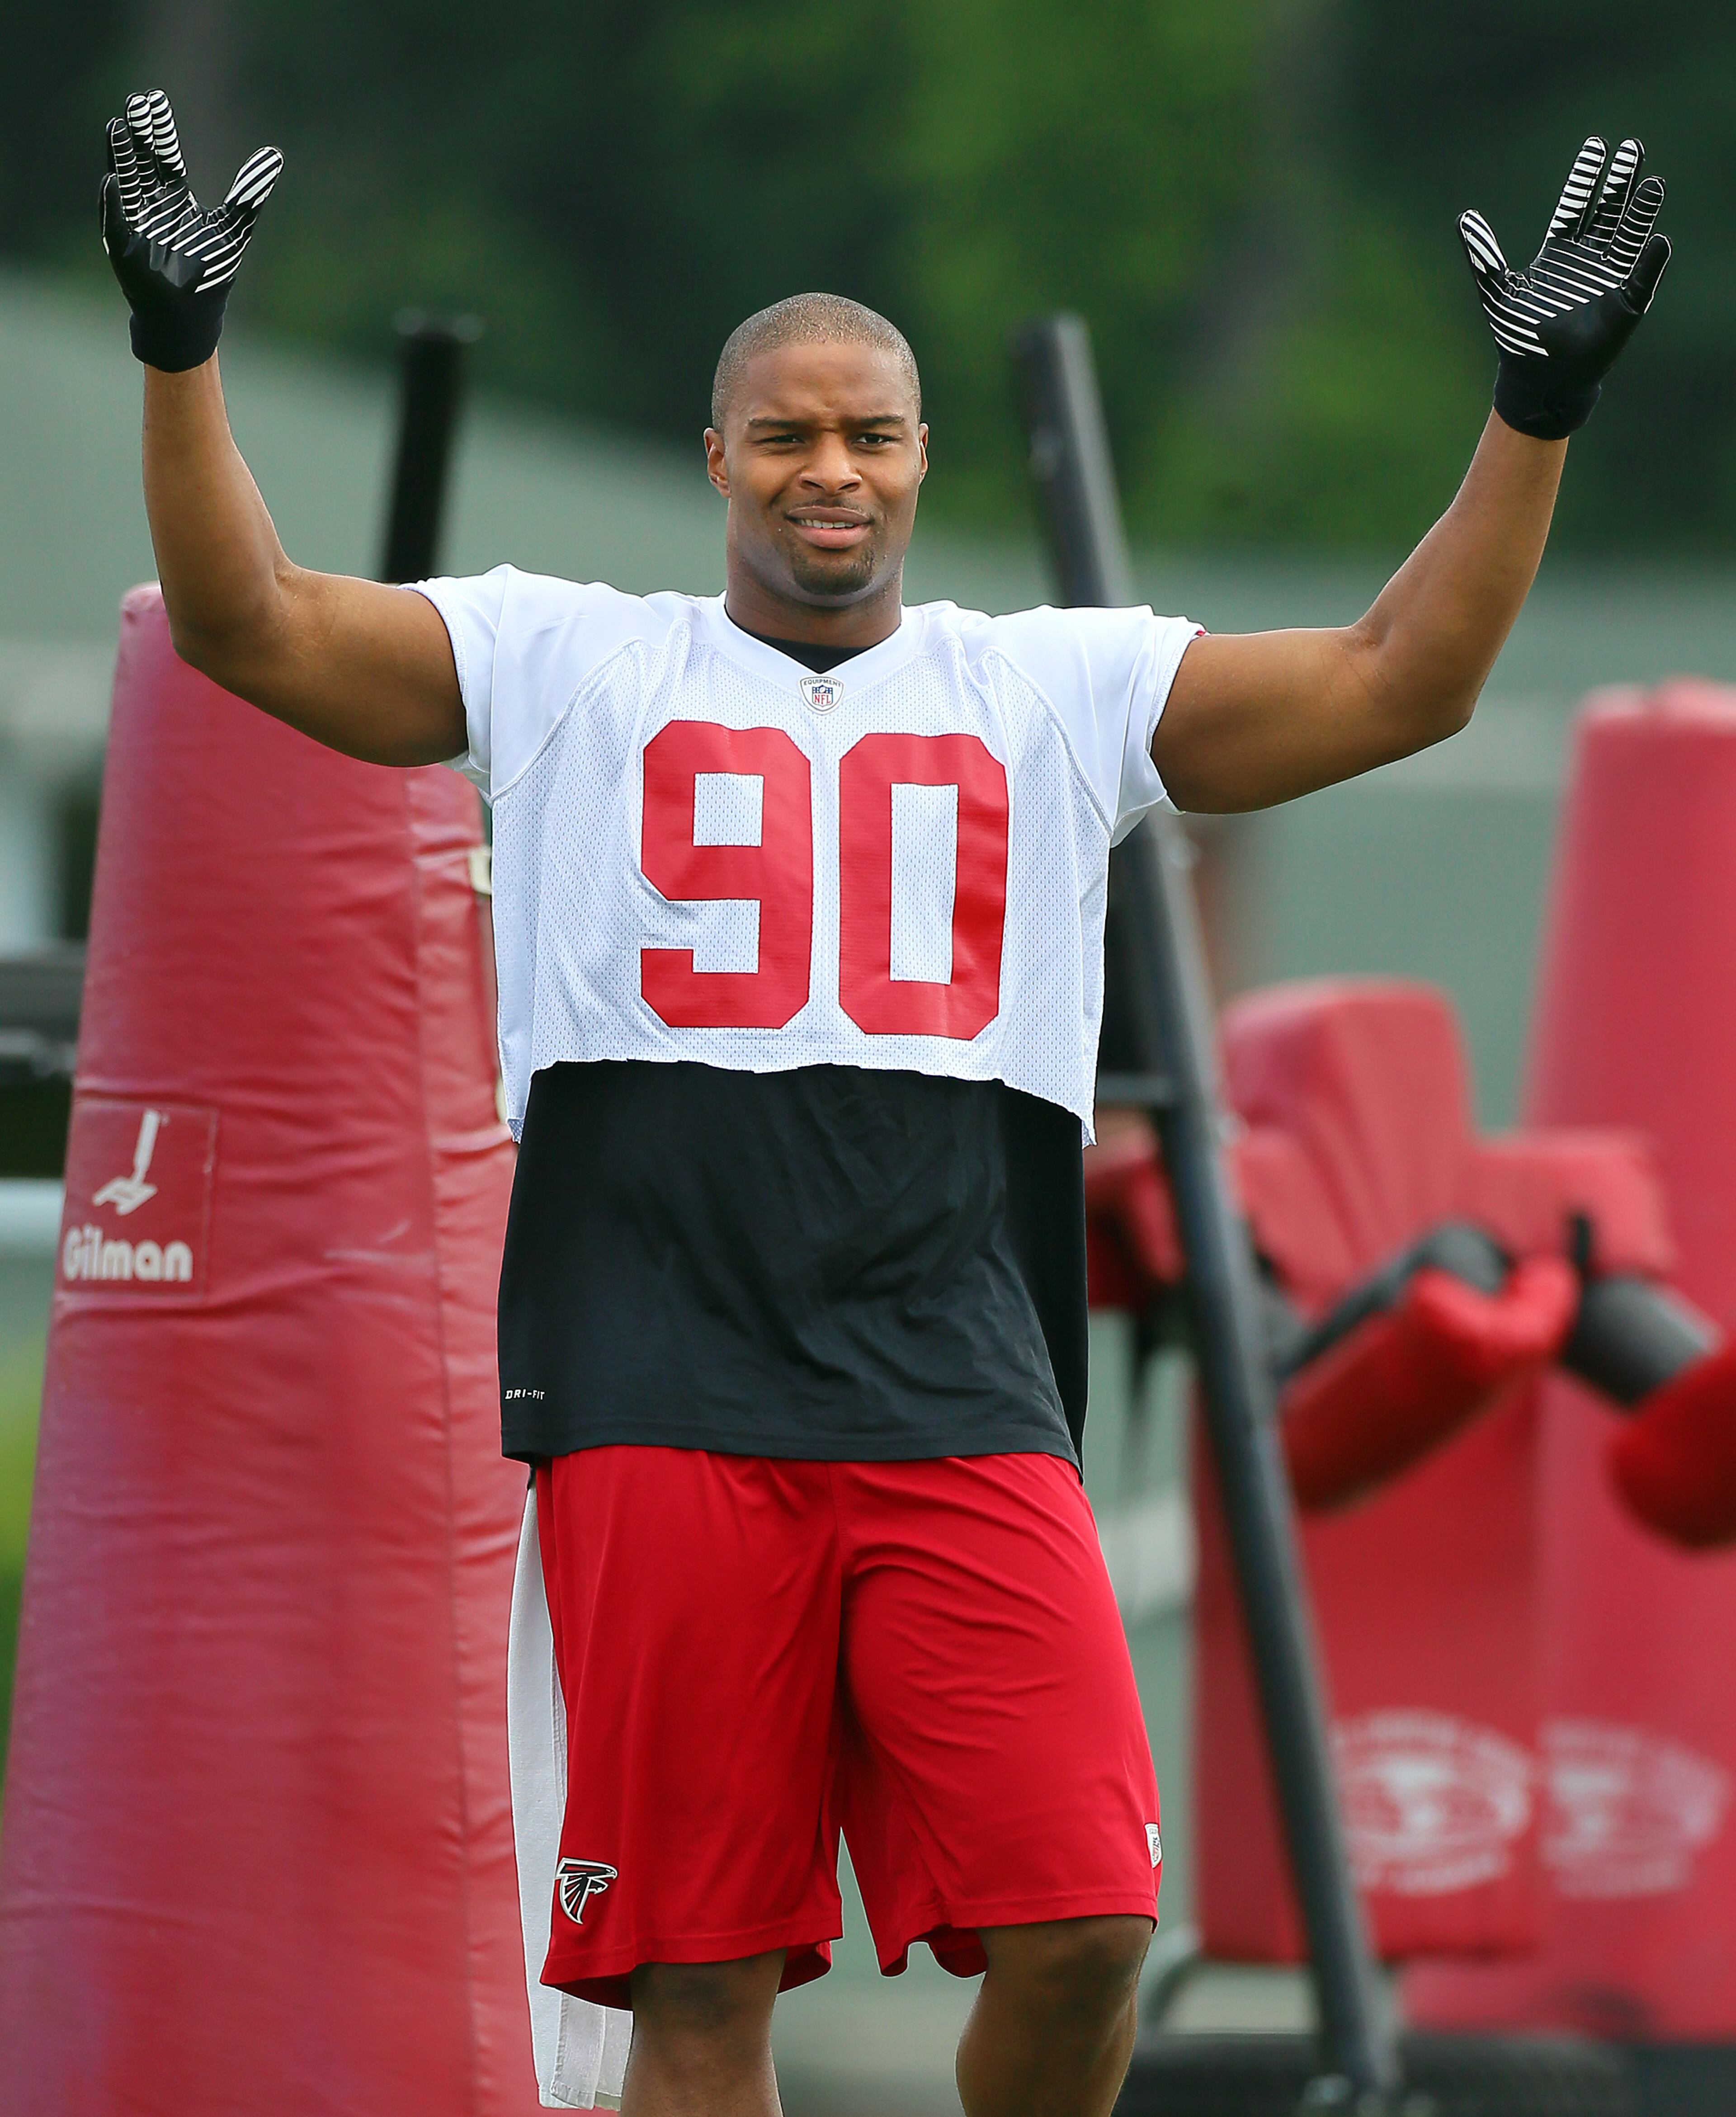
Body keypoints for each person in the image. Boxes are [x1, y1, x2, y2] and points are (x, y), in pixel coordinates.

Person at [101, 87, 1669, 2117]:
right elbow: (249, 625)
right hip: (660, 1388)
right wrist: (175, 355)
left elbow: (1399, 679)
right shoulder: (573, 661)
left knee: (1090, 1919)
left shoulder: (1052, 683)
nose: (827, 469)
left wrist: (1532, 417)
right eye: (786, 432)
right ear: (717, 461)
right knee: (698, 1986)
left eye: (867, 432)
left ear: (921, 459)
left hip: (955, 1382)